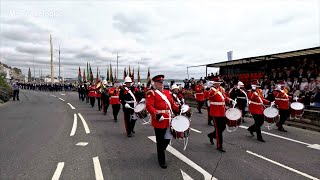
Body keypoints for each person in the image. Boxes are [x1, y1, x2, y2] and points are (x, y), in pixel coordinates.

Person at [146, 75, 180, 169]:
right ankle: (161, 159)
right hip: (159, 120)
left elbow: (172, 104)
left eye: (162, 82)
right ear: (155, 83)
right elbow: (149, 106)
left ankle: (161, 150)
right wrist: (156, 114)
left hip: (168, 119)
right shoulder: (152, 93)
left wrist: (180, 109)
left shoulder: (167, 93)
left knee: (168, 138)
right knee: (160, 141)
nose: (161, 84)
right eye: (159, 82)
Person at [207, 81, 235, 152]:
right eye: (217, 83)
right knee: (218, 130)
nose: (219, 84)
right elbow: (208, 96)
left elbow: (224, 97)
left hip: (222, 111)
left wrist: (230, 101)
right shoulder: (211, 90)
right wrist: (208, 88)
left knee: (222, 127)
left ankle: (211, 135)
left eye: (219, 83)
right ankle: (219, 146)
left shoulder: (219, 89)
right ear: (214, 83)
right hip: (215, 112)